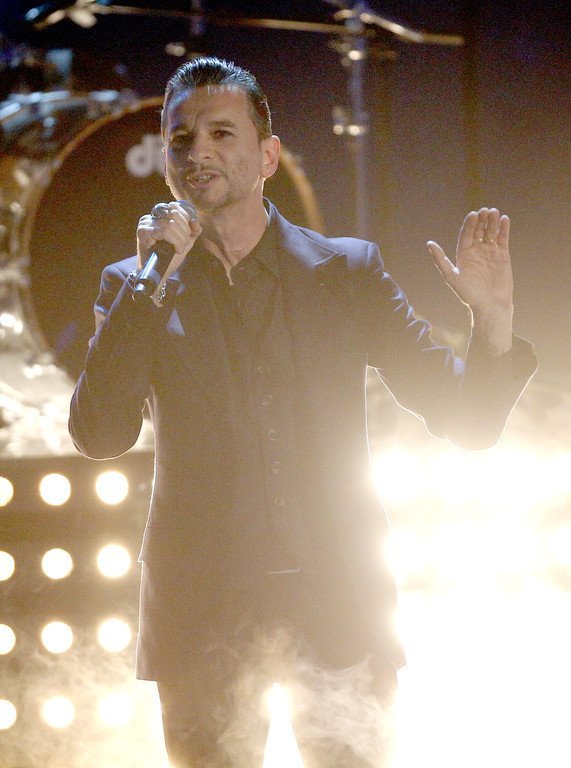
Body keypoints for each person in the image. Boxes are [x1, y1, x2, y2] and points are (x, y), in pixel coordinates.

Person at [69, 56, 537, 767]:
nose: (197, 153)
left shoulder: (345, 271)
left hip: (339, 604)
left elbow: (467, 422)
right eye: (180, 140)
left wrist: (491, 323)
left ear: (268, 157)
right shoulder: (136, 286)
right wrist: (147, 284)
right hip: (203, 616)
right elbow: (99, 435)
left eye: (221, 134)